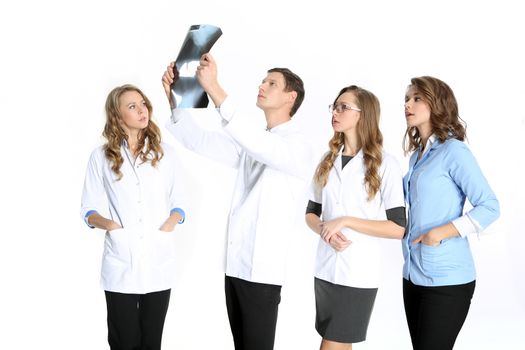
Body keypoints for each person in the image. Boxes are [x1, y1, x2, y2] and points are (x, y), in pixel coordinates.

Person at [161, 54, 312, 350]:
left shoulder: (297, 146)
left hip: (262, 272)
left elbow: (261, 145)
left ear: (290, 97)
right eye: (263, 80)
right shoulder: (254, 142)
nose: (262, 85)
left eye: (272, 83)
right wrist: (175, 99)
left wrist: (214, 88)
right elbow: (199, 141)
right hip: (236, 267)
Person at [80, 84, 186, 350]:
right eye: (132, 106)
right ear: (117, 116)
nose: (142, 110)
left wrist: (169, 224)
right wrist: (111, 226)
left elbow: (180, 202)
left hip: (157, 256)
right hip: (121, 261)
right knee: (123, 341)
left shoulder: (166, 154)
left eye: (143, 103)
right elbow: (88, 209)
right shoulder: (101, 157)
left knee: (151, 341)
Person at [402, 76, 500, 350]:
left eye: (417, 98)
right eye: (407, 99)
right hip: (412, 274)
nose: (408, 104)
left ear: (437, 104)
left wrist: (439, 233)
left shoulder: (454, 151)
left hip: (447, 279)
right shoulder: (417, 156)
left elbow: (490, 206)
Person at [305, 85, 406, 350]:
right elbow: (311, 214)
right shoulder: (327, 160)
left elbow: (398, 228)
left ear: (363, 115)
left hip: (357, 273)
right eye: (334, 106)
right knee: (339, 342)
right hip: (326, 270)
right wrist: (325, 229)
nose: (335, 112)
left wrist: (346, 221)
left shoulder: (386, 164)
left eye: (343, 107)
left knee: (332, 343)